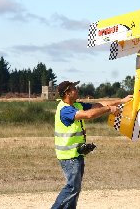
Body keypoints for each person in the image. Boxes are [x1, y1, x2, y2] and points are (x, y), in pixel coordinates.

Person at [51, 80, 132, 209]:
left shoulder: (76, 105)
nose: (77, 90)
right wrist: (109, 109)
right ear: (67, 93)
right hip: (68, 155)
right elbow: (89, 115)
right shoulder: (65, 110)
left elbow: (98, 105)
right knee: (72, 188)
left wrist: (121, 101)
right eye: (74, 88)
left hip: (76, 153)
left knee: (75, 190)